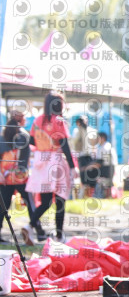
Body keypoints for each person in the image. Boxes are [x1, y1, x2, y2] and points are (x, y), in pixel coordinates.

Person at [22, 92, 78, 245]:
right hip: (56, 161)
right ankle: (59, 235)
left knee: (46, 201)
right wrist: (73, 167)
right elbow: (64, 145)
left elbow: (32, 140)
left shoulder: (38, 120)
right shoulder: (58, 121)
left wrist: (43, 145)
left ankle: (29, 225)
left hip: (41, 163)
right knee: (60, 200)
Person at [0, 110, 39, 243]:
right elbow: (24, 159)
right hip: (20, 176)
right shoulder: (23, 135)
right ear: (21, 119)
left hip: (5, 176)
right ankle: (38, 230)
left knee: (3, 206)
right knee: (30, 203)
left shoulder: (3, 134)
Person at [71, 116, 97, 198]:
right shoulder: (76, 131)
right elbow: (75, 142)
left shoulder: (91, 130)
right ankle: (83, 194)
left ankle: (90, 194)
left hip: (90, 156)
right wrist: (80, 130)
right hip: (81, 156)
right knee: (83, 176)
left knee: (91, 176)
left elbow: (94, 143)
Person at [92, 132, 116, 199]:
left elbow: (99, 163)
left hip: (105, 171)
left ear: (102, 138)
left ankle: (98, 196)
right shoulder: (109, 146)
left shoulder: (103, 148)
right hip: (110, 170)